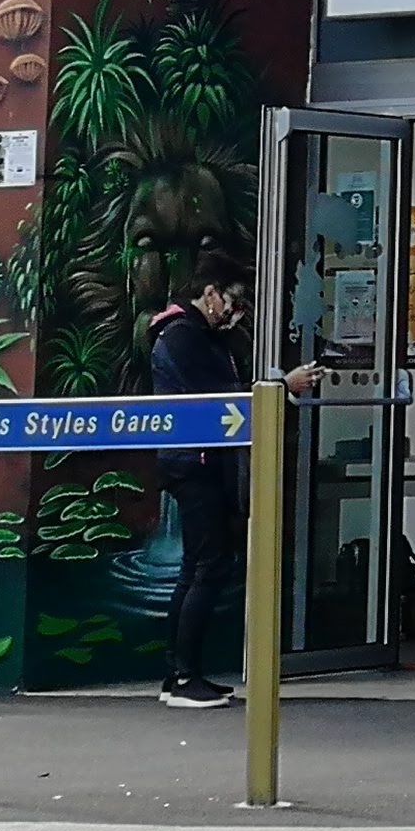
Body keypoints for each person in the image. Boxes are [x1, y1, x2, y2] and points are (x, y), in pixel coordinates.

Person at [144, 248, 316, 708]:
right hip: (196, 465)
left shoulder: (194, 335)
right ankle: (184, 677)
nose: (237, 313)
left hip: (196, 463)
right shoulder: (183, 337)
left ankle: (178, 674)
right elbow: (220, 398)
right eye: (234, 302)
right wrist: (283, 387)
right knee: (208, 567)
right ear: (210, 294)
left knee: (197, 567)